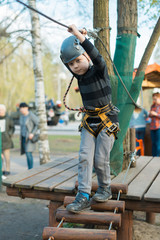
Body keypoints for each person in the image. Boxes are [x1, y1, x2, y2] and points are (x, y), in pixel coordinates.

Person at [60, 24, 119, 213]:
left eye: (77, 61)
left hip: (106, 120)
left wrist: (79, 36)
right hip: (89, 121)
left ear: (86, 56)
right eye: (71, 64)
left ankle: (104, 188)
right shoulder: (79, 77)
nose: (75, 66)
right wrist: (73, 43)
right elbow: (67, 60)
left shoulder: (99, 70)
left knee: (101, 159)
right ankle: (83, 195)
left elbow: (96, 55)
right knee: (84, 157)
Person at [19, 102, 39, 169]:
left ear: (27, 108)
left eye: (23, 108)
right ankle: (29, 168)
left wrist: (32, 133)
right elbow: (21, 128)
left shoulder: (31, 115)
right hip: (24, 137)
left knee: (28, 153)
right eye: (20, 109)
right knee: (27, 153)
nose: (22, 110)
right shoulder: (21, 116)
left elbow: (38, 124)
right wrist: (20, 139)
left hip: (30, 137)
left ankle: (30, 169)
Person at [0, 104, 15, 177]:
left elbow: (12, 127)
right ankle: (1, 169)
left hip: (6, 140)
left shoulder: (8, 118)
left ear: (4, 110)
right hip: (0, 139)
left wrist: (9, 134)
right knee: (0, 157)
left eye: (2, 110)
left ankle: (8, 169)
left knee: (7, 156)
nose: (0, 111)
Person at [149, 88, 160, 156]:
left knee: (158, 144)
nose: (154, 100)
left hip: (159, 127)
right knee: (153, 143)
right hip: (152, 127)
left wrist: (155, 114)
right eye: (153, 99)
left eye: (155, 99)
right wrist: (150, 114)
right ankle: (153, 157)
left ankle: (157, 158)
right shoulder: (152, 106)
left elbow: (156, 115)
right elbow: (149, 116)